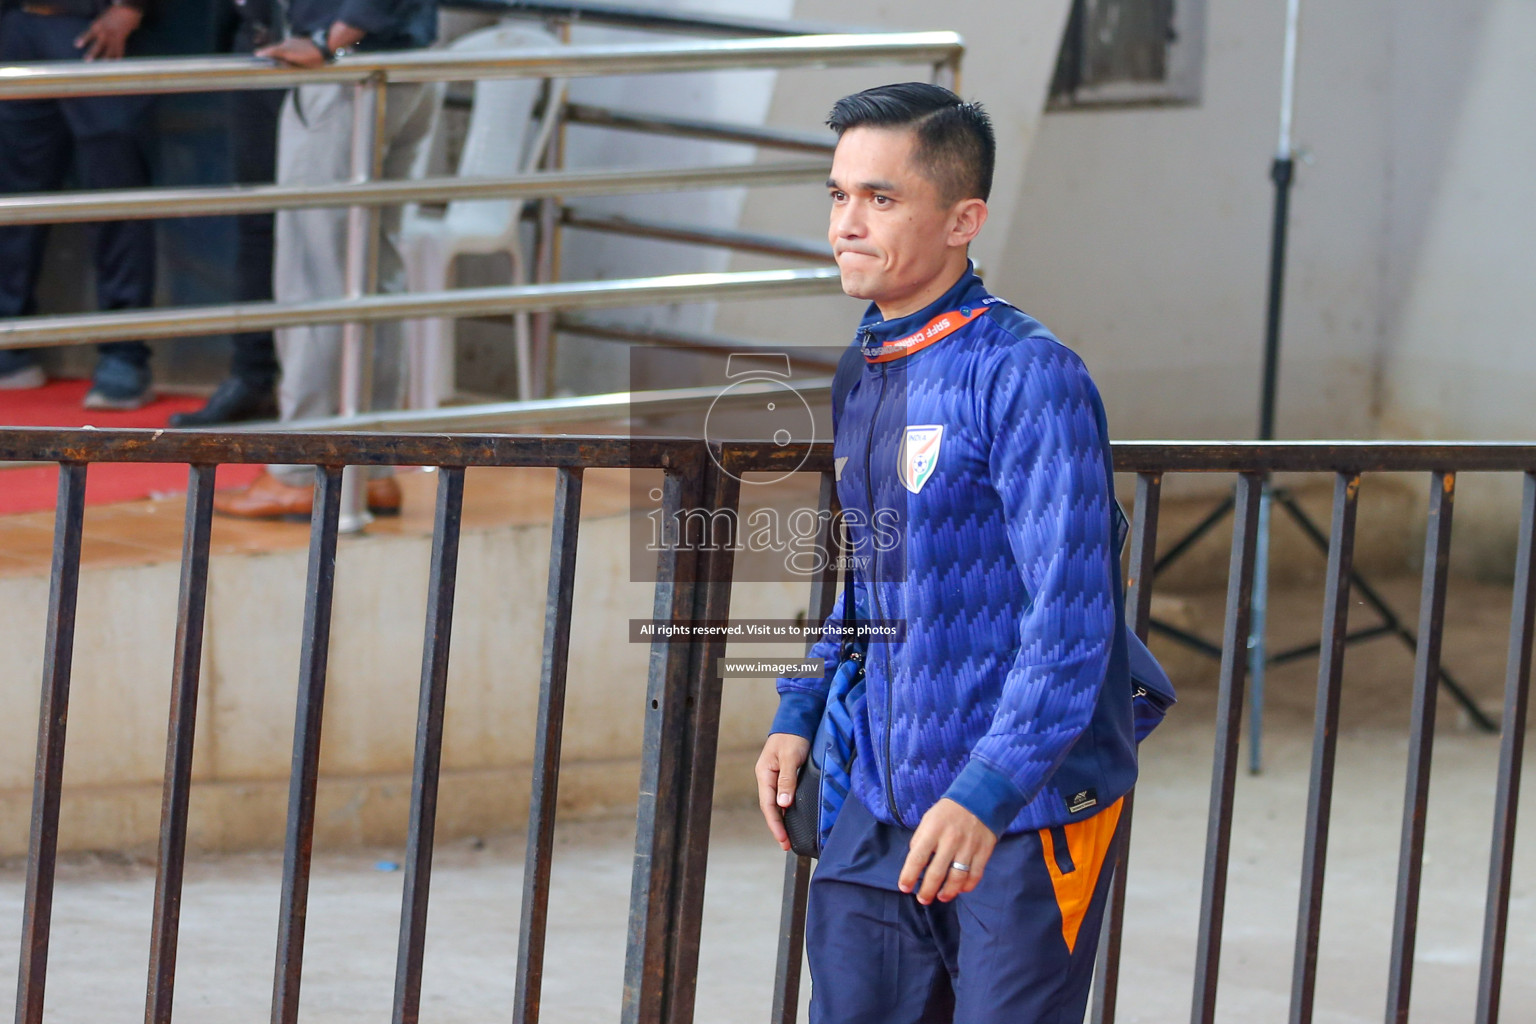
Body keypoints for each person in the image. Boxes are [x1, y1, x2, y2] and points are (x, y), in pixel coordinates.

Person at [755, 83, 1137, 1022]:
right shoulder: (868, 364)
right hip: (878, 799)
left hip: (1021, 812)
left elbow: (1074, 618)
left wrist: (987, 791)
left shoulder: (1028, 374)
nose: (847, 223)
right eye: (839, 195)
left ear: (965, 219)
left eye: (881, 199)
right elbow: (870, 570)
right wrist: (804, 702)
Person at [212, 0, 436, 518]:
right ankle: (371, 470)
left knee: (316, 277)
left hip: (347, 70)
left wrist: (329, 41)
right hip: (401, 64)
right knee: (371, 274)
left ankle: (300, 472)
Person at [0, 0, 158, 409]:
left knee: (113, 198)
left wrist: (130, 7)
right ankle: (9, 344)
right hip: (15, 23)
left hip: (98, 28)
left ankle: (124, 357)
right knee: (13, 196)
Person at [168, 0, 284, 428]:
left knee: (326, 230)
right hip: (255, 43)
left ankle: (335, 405)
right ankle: (253, 378)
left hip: (329, 54)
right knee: (255, 220)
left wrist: (335, 37)